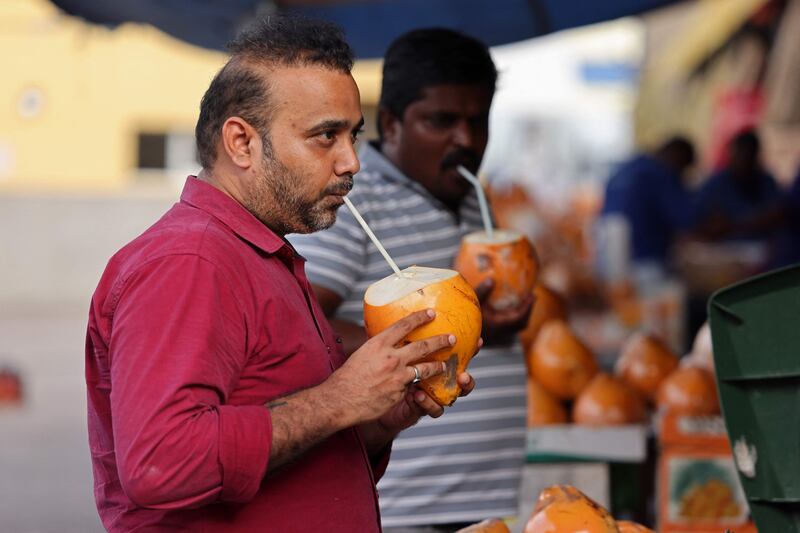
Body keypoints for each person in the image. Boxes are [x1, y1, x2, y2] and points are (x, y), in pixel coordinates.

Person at [85, 16, 477, 532]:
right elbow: (161, 462)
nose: (352, 162)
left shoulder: (261, 255)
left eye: (353, 136)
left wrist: (377, 421)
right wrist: (338, 400)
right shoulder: (189, 262)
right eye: (325, 137)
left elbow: (295, 458)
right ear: (242, 143)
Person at [290, 28, 533, 532]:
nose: (464, 141)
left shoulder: (474, 202)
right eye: (441, 121)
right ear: (393, 124)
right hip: (403, 506)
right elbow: (300, 325)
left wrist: (495, 320)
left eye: (477, 121)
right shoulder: (353, 202)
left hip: (484, 499)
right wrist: (441, 337)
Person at [600, 136, 697, 266]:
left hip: (608, 262)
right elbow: (686, 220)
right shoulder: (660, 174)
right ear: (678, 157)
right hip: (648, 262)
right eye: (683, 169)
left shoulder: (623, 168)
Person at [694, 129, 784, 242]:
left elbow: (776, 215)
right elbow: (698, 217)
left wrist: (734, 224)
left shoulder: (766, 182)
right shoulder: (717, 182)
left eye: (747, 156)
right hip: (724, 248)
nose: (742, 162)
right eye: (739, 155)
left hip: (761, 247)